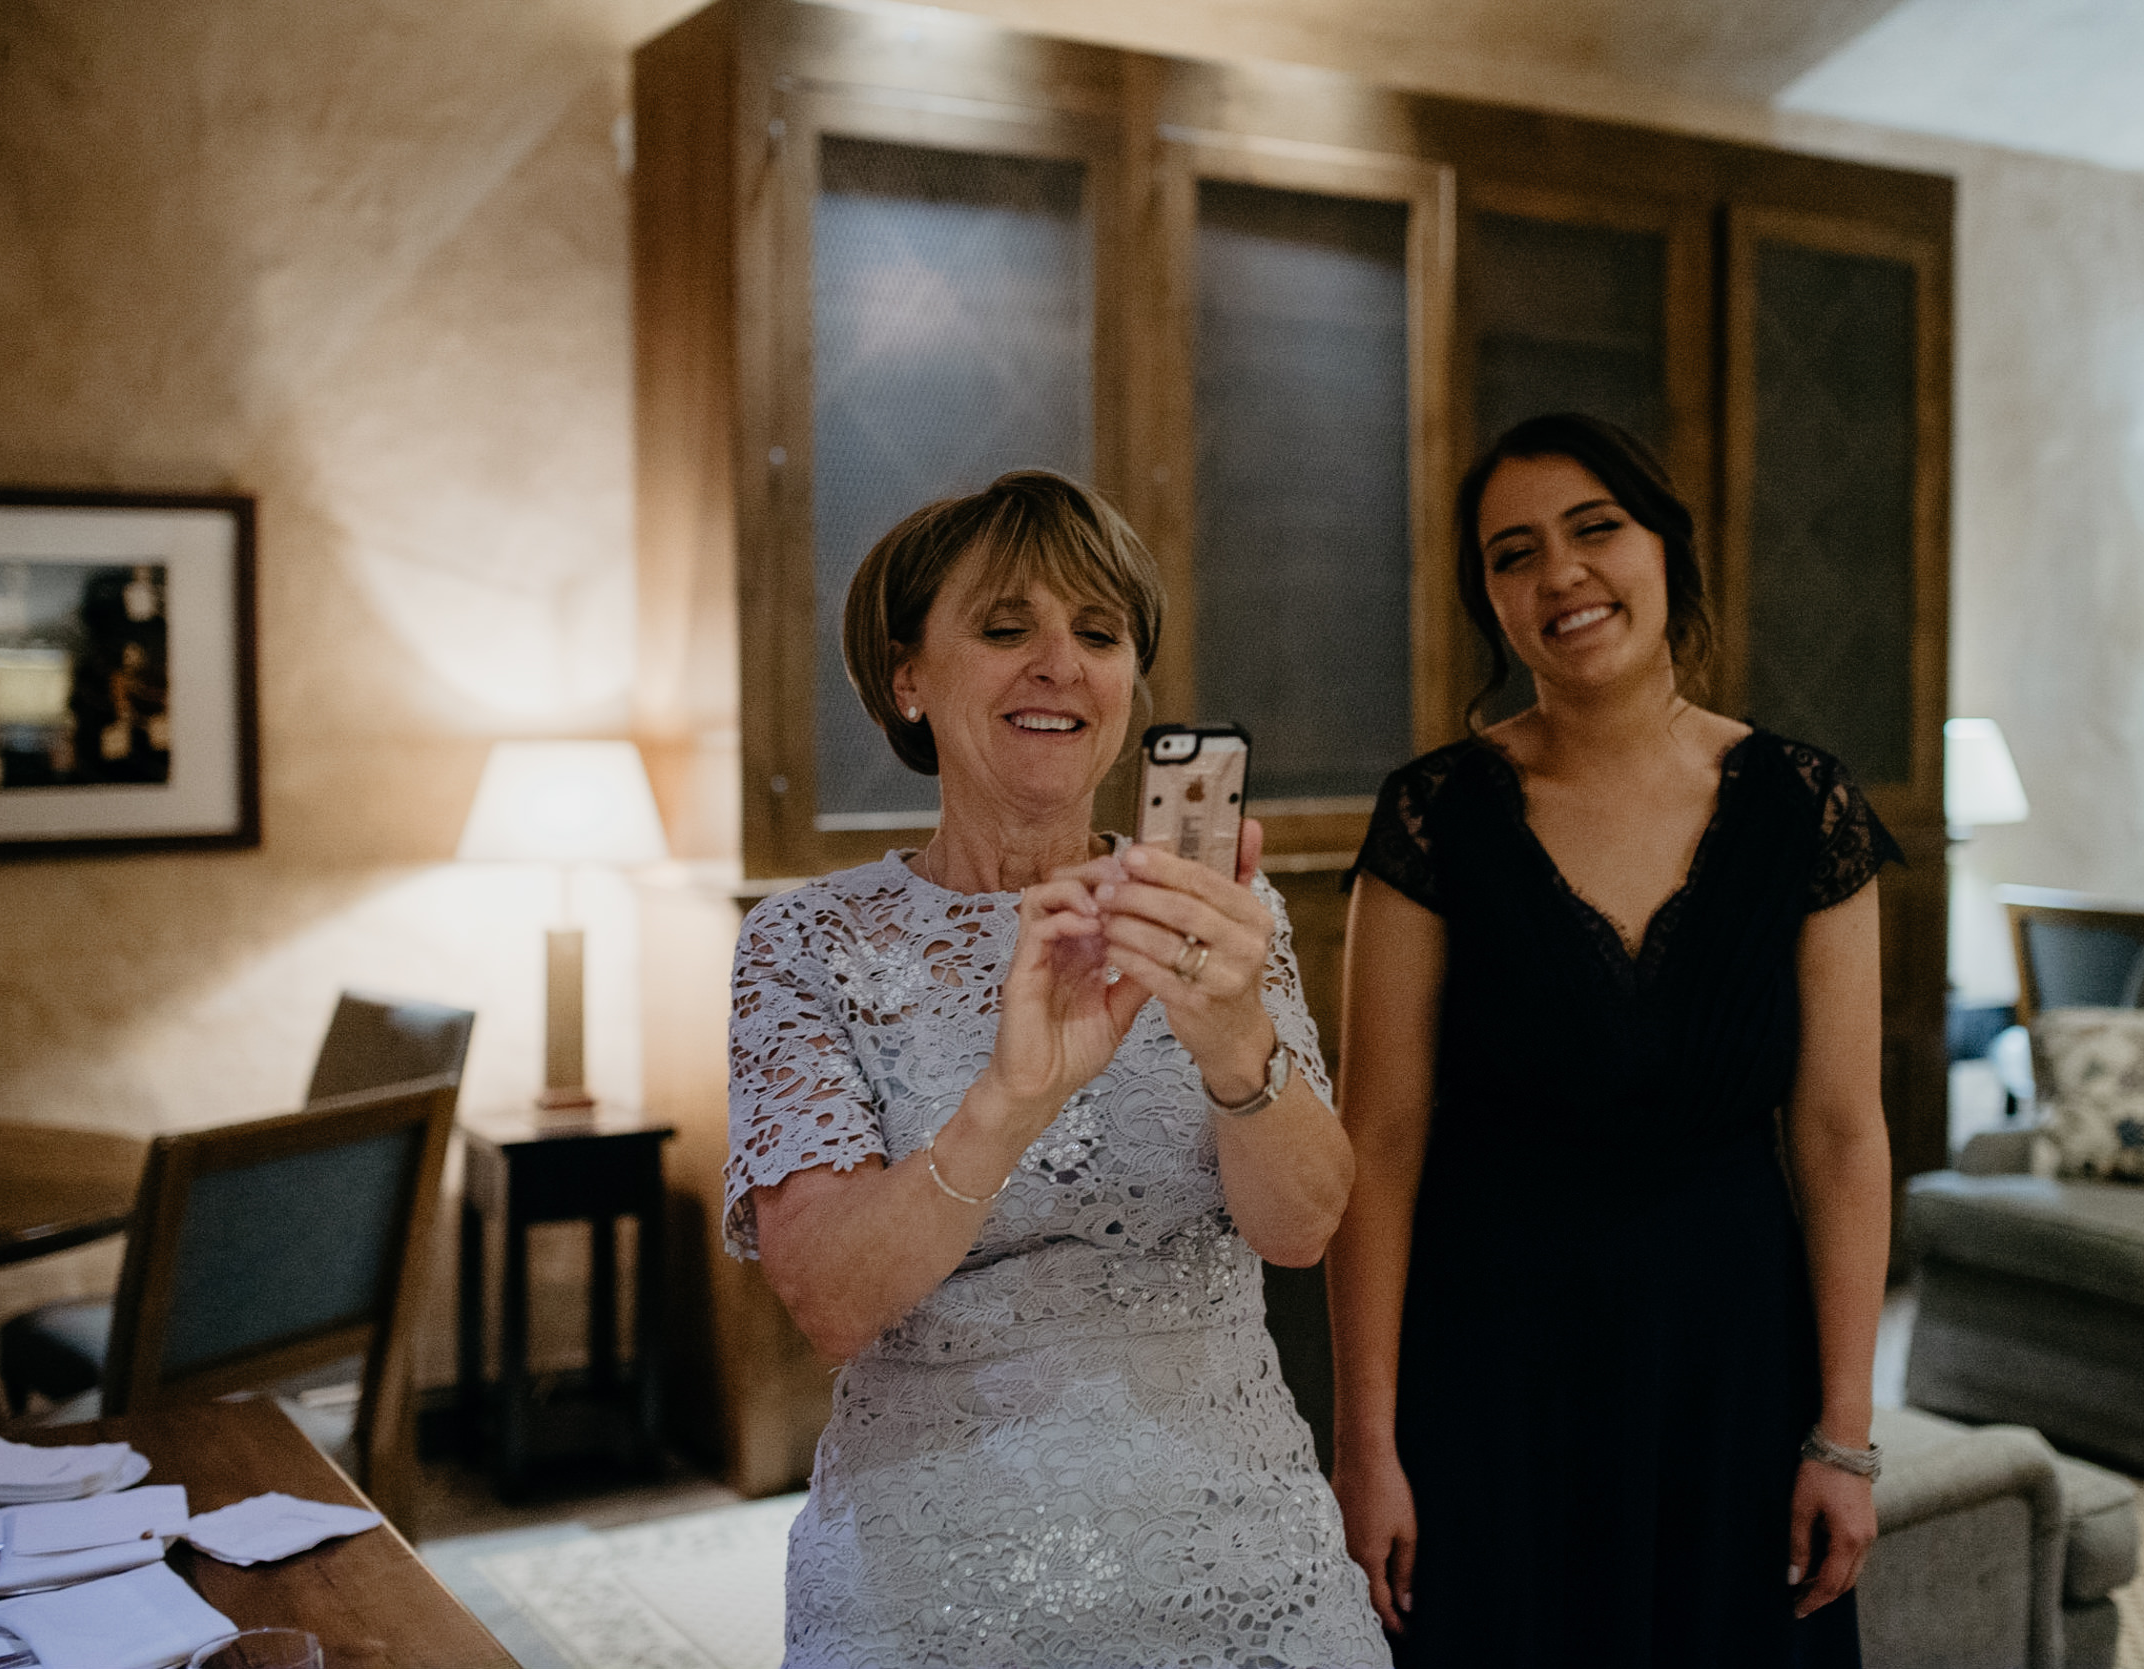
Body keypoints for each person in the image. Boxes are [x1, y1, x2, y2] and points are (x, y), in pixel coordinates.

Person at [724, 469, 1391, 1669]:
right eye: (1003, 628)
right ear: (907, 679)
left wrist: (1236, 1040)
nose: (1058, 662)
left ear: (1131, 687)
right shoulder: (805, 943)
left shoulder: (1218, 915)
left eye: (1097, 633)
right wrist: (1011, 1099)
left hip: (1242, 1558)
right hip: (932, 1586)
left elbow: (1301, 1230)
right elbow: (826, 1301)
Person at [1325, 413, 1896, 1666]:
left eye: (1596, 529)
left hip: (1734, 1369)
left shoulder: (1807, 807)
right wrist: (1366, 1446)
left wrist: (1842, 1432)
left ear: (1666, 550)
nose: (1560, 575)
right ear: (1491, 601)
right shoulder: (1431, 816)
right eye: (1513, 554)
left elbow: (1844, 1137)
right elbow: (1379, 1141)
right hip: (1491, 1371)